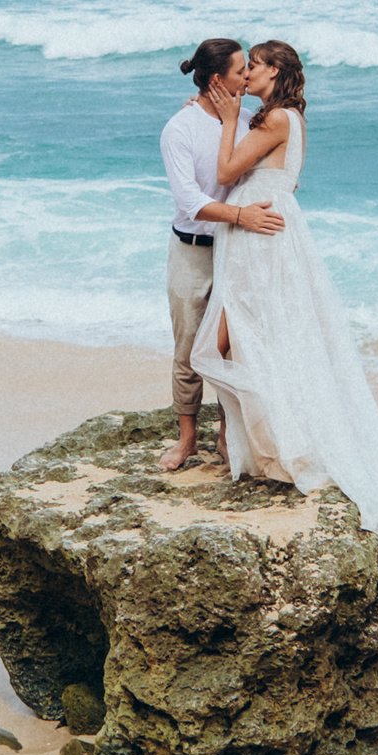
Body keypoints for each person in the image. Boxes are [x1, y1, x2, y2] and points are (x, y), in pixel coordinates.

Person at [188, 40, 378, 642]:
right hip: (265, 230)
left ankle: (272, 440)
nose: (245, 73)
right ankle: (258, 442)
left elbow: (227, 174)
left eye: (254, 65)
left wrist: (227, 122)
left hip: (262, 234)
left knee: (235, 339)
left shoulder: (277, 117)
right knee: (254, 338)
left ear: (274, 72)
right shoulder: (286, 118)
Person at [158, 37, 285, 473]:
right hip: (193, 250)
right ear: (218, 80)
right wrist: (240, 215)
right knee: (190, 346)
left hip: (238, 249)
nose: (246, 75)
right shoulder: (179, 129)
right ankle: (187, 438)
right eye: (239, 70)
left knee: (233, 346)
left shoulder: (248, 120)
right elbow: (188, 200)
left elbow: (271, 167)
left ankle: (229, 436)